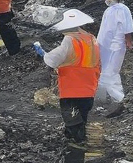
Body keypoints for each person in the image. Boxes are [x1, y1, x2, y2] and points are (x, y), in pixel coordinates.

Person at [35, 9, 101, 143]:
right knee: (81, 118)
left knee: (72, 120)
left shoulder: (70, 39)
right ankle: (74, 141)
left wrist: (43, 54)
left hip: (72, 87)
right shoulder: (91, 38)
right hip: (89, 86)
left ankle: (77, 146)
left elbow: (54, 59)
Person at [96, 0, 133, 117]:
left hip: (116, 45)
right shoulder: (108, 10)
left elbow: (127, 27)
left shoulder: (123, 9)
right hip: (104, 46)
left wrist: (128, 41)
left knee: (110, 73)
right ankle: (100, 99)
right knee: (101, 71)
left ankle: (120, 99)